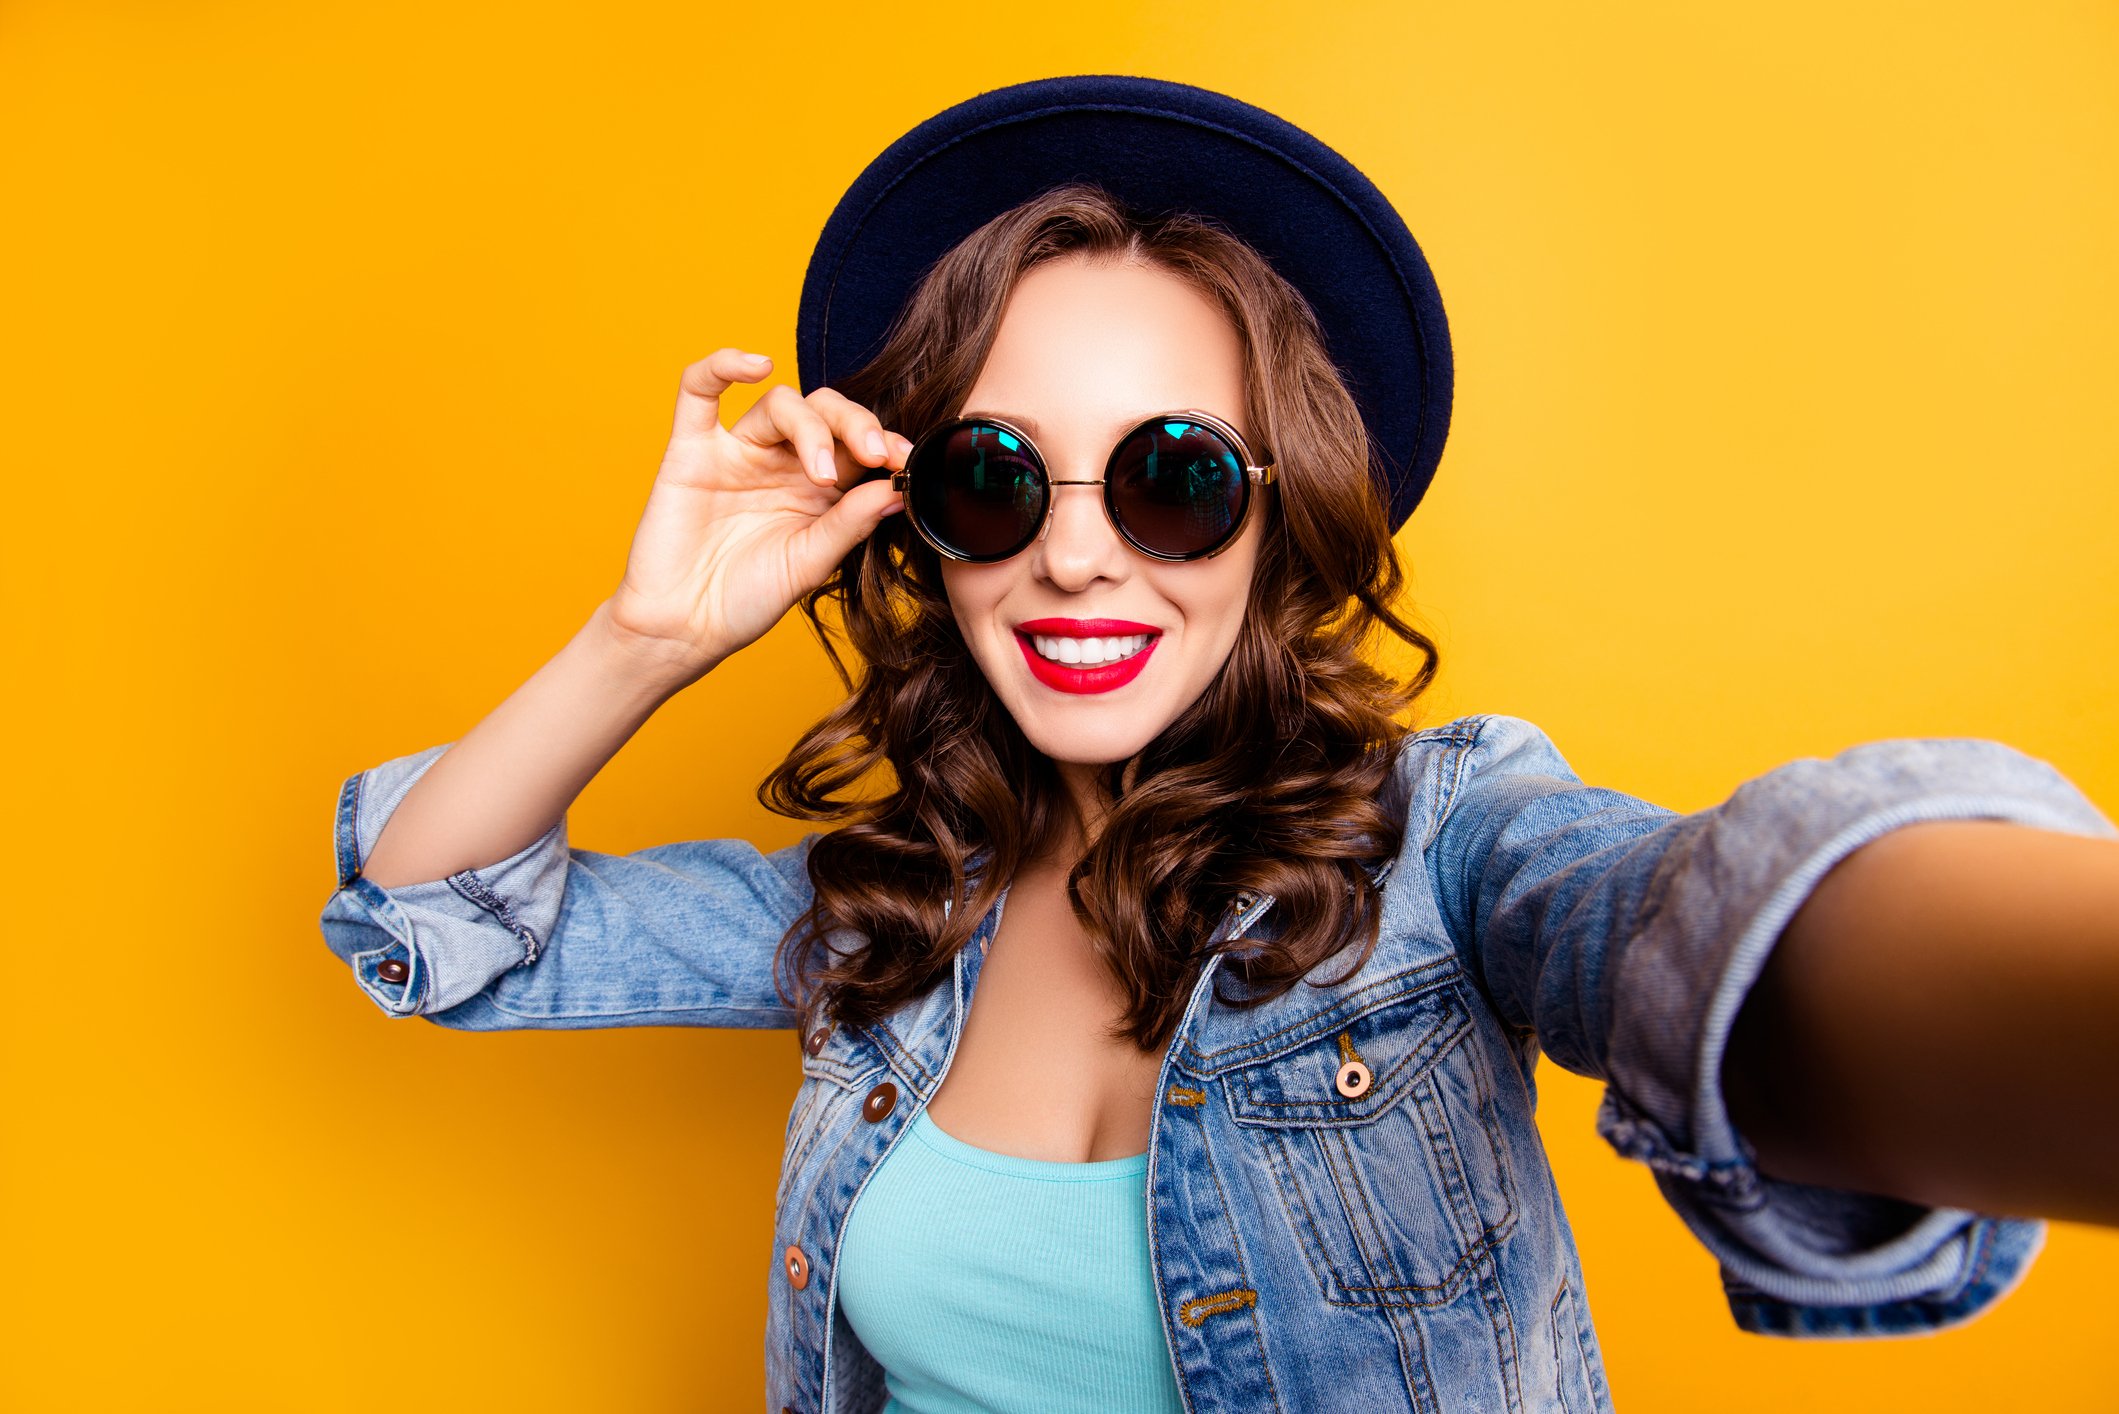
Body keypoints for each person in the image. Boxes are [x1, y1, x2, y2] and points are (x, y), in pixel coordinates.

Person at [318, 77, 2119, 1414]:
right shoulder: (883, 913)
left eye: (1171, 477)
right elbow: (440, 921)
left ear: (1277, 514)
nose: (1074, 553)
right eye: (993, 477)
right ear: (921, 525)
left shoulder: (1442, 849)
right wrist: (649, 637)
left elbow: (1690, 929)